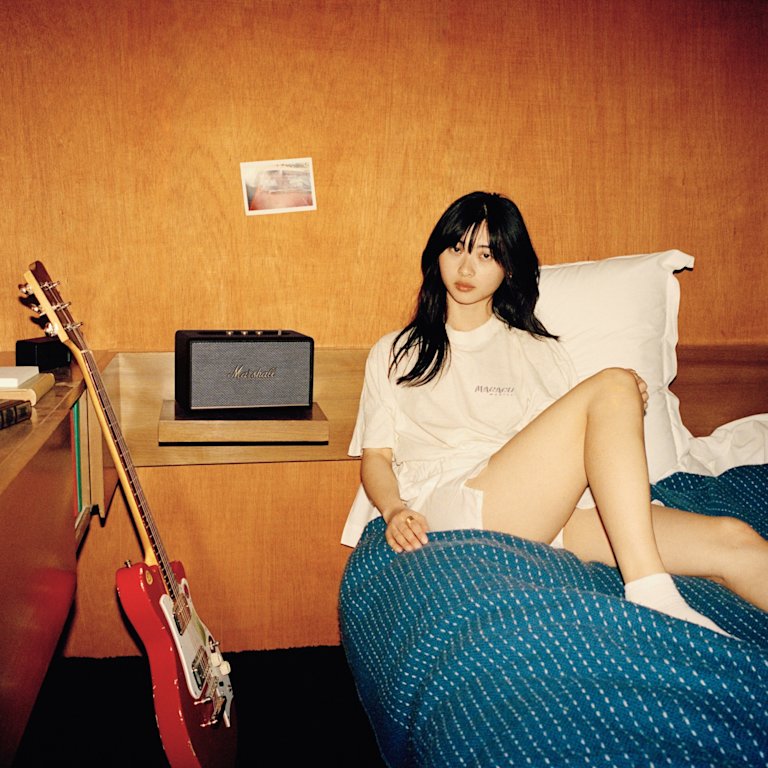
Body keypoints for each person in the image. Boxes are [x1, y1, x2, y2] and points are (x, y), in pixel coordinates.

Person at [341, 190, 768, 637]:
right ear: (438, 254)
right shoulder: (396, 351)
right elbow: (377, 456)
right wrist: (393, 511)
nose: (467, 268)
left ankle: (653, 578)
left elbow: (568, 454)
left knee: (733, 539)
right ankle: (647, 587)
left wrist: (615, 410)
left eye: (487, 255)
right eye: (457, 248)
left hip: (546, 513)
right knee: (614, 384)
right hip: (453, 503)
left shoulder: (538, 351)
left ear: (508, 266)